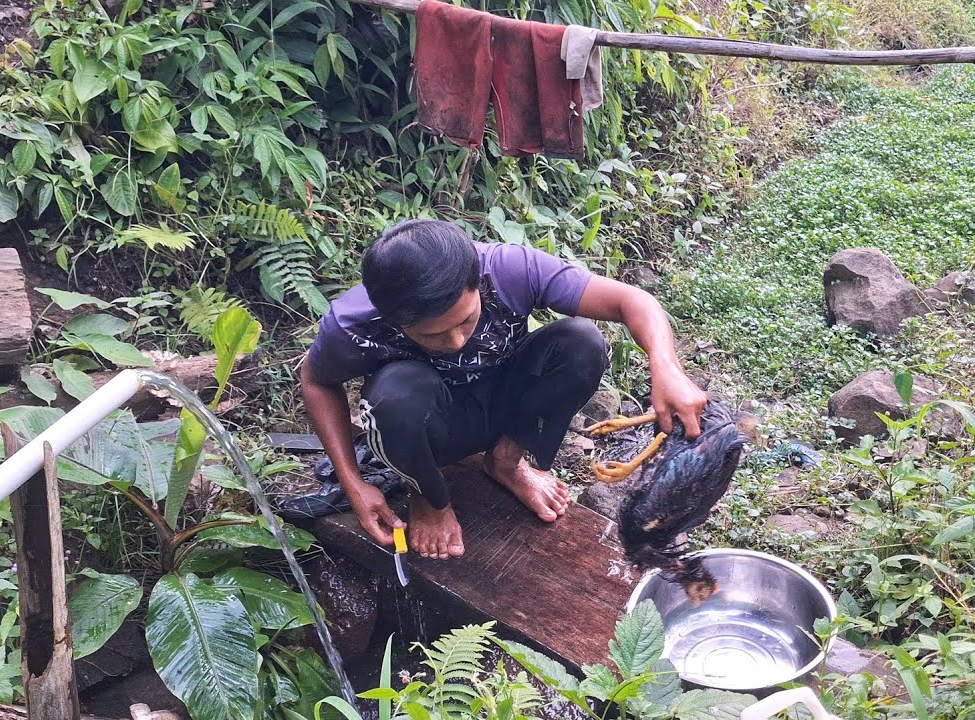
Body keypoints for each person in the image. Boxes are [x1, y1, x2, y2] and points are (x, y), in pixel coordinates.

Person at [300, 219, 706, 559]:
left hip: (505, 405)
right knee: (396, 395)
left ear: (478, 282)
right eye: (433, 335)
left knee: (582, 342)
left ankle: (507, 462)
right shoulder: (354, 324)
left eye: (466, 320)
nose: (457, 341)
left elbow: (631, 301)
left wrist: (665, 366)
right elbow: (317, 382)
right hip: (425, 426)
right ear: (393, 320)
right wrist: (353, 482)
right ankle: (427, 496)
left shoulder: (508, 270)